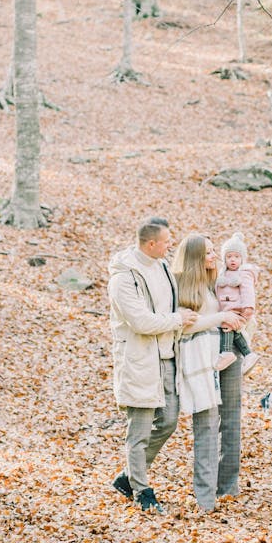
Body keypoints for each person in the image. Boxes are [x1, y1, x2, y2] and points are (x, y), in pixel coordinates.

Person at [108, 216, 196, 514]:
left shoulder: (161, 266)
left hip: (167, 357)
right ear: (151, 244)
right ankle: (142, 490)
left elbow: (167, 307)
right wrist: (177, 319)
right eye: (166, 241)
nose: (170, 245)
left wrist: (181, 317)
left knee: (169, 421)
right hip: (140, 360)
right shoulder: (123, 279)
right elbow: (141, 322)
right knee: (140, 429)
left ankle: (129, 477)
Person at [172, 233, 243, 513]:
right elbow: (185, 326)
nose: (215, 257)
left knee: (232, 421)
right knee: (207, 423)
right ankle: (205, 496)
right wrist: (220, 318)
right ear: (194, 259)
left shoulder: (220, 282)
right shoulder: (183, 286)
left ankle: (228, 486)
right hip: (201, 360)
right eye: (208, 253)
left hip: (229, 354)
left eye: (215, 251)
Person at [215, 232, 260, 375]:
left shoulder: (244, 274)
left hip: (237, 308)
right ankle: (248, 354)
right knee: (234, 331)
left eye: (236, 257)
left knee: (227, 327)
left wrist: (248, 308)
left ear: (242, 259)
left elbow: (248, 292)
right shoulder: (223, 274)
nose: (232, 260)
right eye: (229, 257)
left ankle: (226, 351)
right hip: (227, 308)